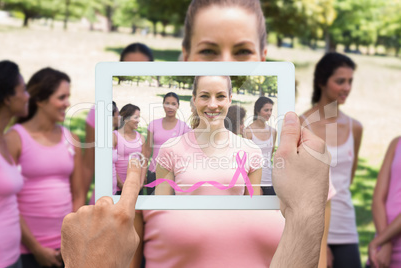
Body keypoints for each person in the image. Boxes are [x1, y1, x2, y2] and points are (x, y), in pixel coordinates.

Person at [134, 1, 332, 267]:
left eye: (241, 51)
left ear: (262, 58)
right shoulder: (171, 149)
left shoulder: (257, 154)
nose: (225, 63)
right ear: (186, 57)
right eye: (208, 51)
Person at [61, 111, 331, 268]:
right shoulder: (168, 157)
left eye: (241, 52)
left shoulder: (303, 180)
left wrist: (306, 212)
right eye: (210, 52)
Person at [5, 67, 85, 268]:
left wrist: (70, 242)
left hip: (66, 250)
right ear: (40, 100)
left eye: (68, 97)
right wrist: (37, 249)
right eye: (61, 97)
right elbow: (8, 201)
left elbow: (78, 193)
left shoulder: (71, 139)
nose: (67, 103)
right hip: (25, 250)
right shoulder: (14, 139)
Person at [300, 52, 363, 268]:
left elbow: (347, 180)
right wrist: (321, 240)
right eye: (340, 81)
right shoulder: (301, 125)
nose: (347, 87)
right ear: (321, 82)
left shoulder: (355, 127)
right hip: (310, 231)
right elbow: (298, 188)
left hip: (346, 228)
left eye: (350, 81)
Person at [83, 43, 153, 203]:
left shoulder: (139, 137)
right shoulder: (103, 117)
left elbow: (143, 161)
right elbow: (87, 166)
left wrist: (138, 184)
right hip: (112, 194)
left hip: (132, 189)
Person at [0, 60, 29, 268]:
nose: (28, 96)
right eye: (23, 90)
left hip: (12, 257)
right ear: (8, 98)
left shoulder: (4, 138)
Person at [142, 92, 191, 195]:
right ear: (163, 105)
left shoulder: (184, 127)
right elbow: (147, 151)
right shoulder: (153, 124)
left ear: (178, 106)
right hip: (153, 172)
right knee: (153, 207)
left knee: (170, 208)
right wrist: (143, 174)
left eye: (173, 104)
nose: (170, 107)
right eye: (167, 103)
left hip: (174, 175)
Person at [368, 136, 401, 268]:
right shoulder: (396, 143)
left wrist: (379, 241)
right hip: (381, 255)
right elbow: (377, 199)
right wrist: (385, 243)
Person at [244, 97, 276, 195]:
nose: (269, 113)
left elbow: (269, 156)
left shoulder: (273, 131)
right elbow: (245, 162)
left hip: (270, 182)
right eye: (266, 110)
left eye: (271, 110)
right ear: (258, 110)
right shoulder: (248, 131)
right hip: (255, 183)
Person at [114, 104, 146, 194]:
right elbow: (110, 164)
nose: (138, 121)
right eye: (136, 117)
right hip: (119, 188)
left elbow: (144, 162)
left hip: (136, 188)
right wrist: (121, 185)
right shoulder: (114, 136)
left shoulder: (141, 137)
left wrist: (140, 184)